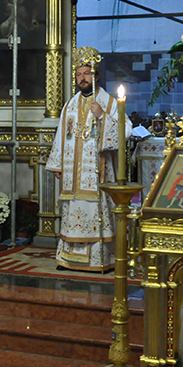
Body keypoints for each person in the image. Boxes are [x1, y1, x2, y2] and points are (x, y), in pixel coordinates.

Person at [45, 47, 131, 272]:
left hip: (97, 174)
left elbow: (127, 130)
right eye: (79, 74)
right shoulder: (70, 105)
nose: (82, 78)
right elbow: (61, 135)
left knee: (95, 211)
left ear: (96, 76)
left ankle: (98, 259)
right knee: (73, 211)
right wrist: (57, 164)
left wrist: (103, 116)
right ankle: (68, 259)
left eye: (86, 74)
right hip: (72, 177)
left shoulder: (109, 102)